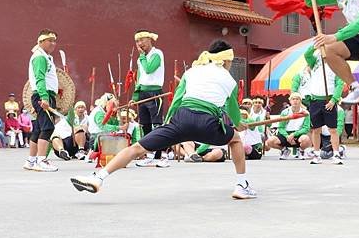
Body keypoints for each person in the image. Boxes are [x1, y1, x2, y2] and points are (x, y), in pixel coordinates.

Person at [70, 40, 258, 200]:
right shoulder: (230, 80)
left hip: (181, 119)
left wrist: (170, 125)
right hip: (207, 121)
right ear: (226, 60)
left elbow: (177, 99)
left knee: (137, 148)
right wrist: (239, 125)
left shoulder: (192, 71)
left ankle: (99, 177)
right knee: (235, 140)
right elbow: (232, 110)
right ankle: (241, 185)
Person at [23, 29, 60, 172]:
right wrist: (44, 98)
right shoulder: (40, 57)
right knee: (48, 128)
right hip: (43, 95)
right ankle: (41, 160)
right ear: (41, 42)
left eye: (54, 40)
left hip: (42, 95)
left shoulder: (44, 56)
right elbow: (40, 79)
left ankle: (31, 161)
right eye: (49, 40)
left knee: (38, 129)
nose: (53, 43)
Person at [132, 30, 168, 168]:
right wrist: (135, 96)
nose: (140, 43)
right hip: (143, 93)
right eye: (137, 41)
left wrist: (142, 56)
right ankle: (150, 154)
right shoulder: (140, 59)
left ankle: (161, 155)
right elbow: (139, 78)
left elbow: (149, 69)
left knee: (157, 124)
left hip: (155, 93)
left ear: (150, 40)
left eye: (142, 40)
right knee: (145, 125)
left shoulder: (157, 53)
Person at [303, 45, 345, 165]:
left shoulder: (336, 66)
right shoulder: (315, 62)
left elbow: (339, 84)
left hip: (329, 100)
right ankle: (316, 154)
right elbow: (307, 54)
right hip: (315, 100)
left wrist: (334, 100)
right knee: (316, 130)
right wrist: (315, 46)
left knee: (333, 129)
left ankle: (336, 154)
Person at [265, 92, 312, 160]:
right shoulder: (285, 112)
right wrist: (287, 136)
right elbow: (281, 127)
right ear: (290, 101)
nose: (295, 101)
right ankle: (284, 150)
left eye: (297, 99)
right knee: (270, 141)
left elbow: (306, 128)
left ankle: (301, 151)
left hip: (298, 134)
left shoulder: (306, 113)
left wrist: (294, 134)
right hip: (285, 134)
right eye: (293, 99)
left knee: (306, 139)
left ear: (300, 101)